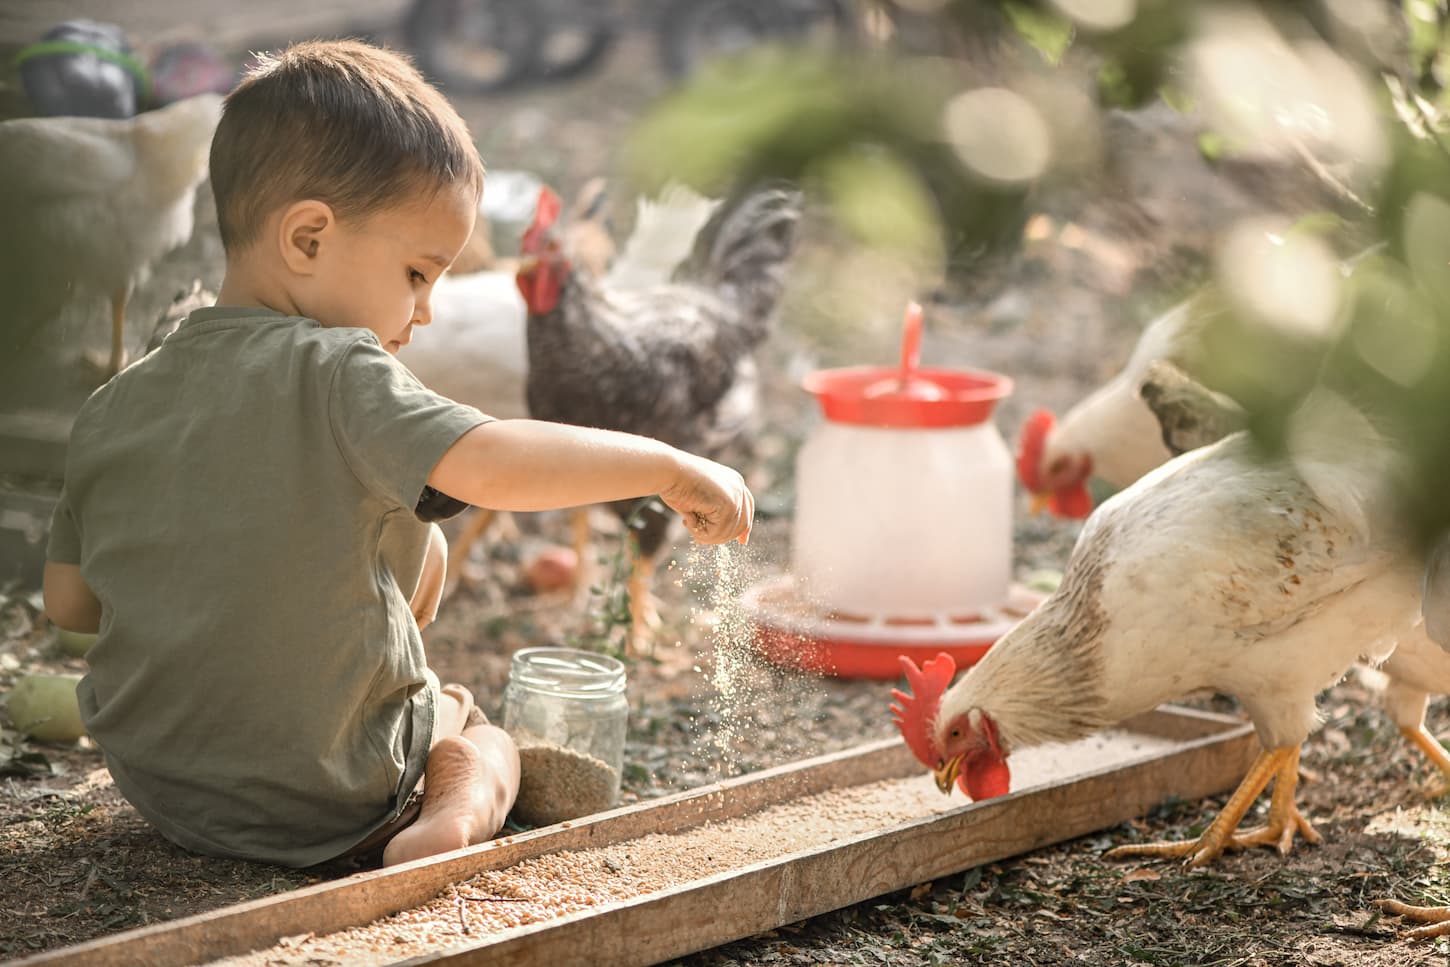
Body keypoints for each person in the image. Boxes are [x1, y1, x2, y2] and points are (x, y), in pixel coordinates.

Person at [40, 39, 754, 870]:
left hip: (160, 783)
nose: (422, 313)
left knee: (412, 534)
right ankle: (447, 816)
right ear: (307, 239)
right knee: (478, 731)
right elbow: (491, 463)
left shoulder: (111, 405)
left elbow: (71, 605)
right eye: (418, 274)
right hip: (330, 789)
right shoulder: (339, 367)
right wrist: (667, 464)